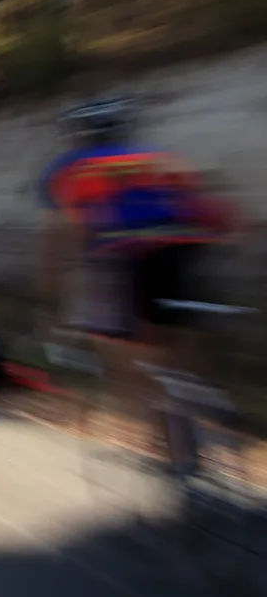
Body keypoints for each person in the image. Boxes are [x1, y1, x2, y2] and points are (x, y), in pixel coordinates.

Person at [39, 97, 235, 455]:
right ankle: (199, 397)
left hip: (123, 256)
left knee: (119, 352)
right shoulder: (158, 157)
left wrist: (53, 300)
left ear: (78, 136)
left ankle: (155, 438)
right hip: (183, 252)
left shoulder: (72, 167)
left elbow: (60, 239)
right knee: (176, 339)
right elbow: (202, 206)